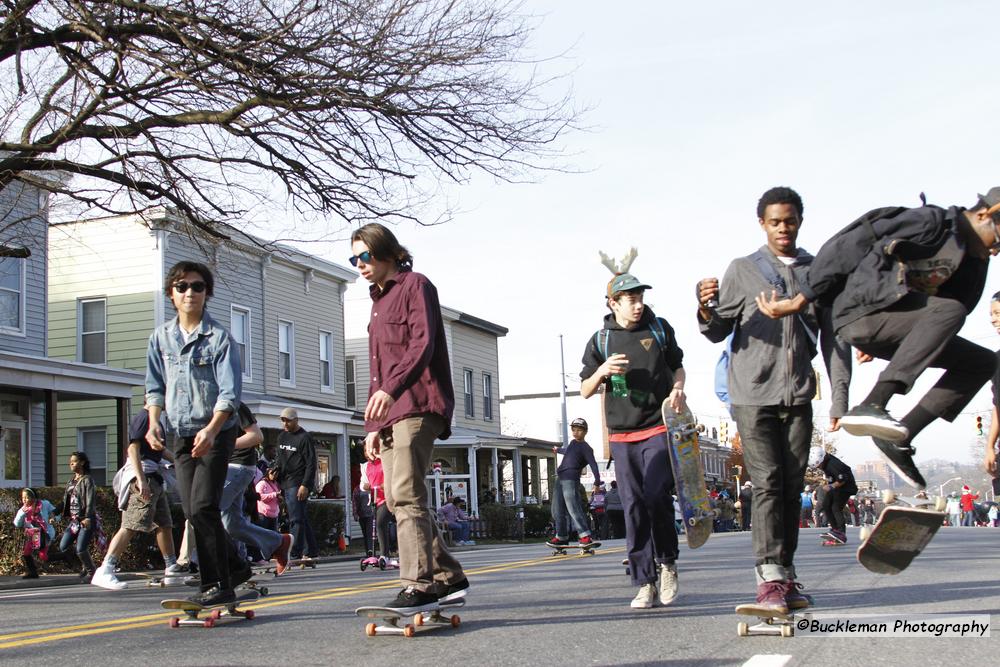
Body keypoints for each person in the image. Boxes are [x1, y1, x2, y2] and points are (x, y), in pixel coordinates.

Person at [757, 187, 1000, 489]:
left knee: (983, 362)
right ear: (982, 214)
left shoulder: (974, 263)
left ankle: (900, 438)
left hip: (891, 324)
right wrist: (802, 298)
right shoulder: (931, 222)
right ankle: (873, 403)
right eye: (998, 239)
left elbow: (942, 314)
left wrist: (899, 338)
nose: (996, 249)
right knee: (952, 311)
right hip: (858, 309)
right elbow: (847, 245)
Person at [697, 187, 851, 616]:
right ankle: (769, 577)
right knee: (766, 482)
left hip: (798, 394)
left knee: (790, 485)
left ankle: (784, 569)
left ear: (800, 220)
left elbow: (835, 338)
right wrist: (704, 306)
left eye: (791, 220)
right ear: (762, 224)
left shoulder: (817, 271)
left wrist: (839, 397)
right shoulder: (742, 270)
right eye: (775, 221)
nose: (784, 228)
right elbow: (716, 329)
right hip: (751, 393)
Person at [352, 222, 468, 613]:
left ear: (386, 252)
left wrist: (391, 390)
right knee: (401, 500)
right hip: (390, 412)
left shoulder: (416, 285)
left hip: (419, 403)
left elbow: (423, 343)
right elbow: (376, 370)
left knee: (405, 493)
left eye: (365, 256)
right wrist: (372, 427)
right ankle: (449, 577)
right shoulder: (376, 302)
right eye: (354, 259)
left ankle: (417, 584)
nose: (359, 264)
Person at [581, 257, 686, 609]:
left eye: (641, 297)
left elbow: (677, 366)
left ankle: (668, 563)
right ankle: (644, 582)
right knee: (633, 508)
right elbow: (584, 389)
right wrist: (603, 372)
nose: (639, 304)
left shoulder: (659, 329)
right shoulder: (601, 340)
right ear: (614, 303)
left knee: (657, 496)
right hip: (622, 437)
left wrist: (678, 389)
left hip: (657, 427)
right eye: (631, 299)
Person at [145, 260, 249, 606]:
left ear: (207, 293)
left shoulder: (220, 338)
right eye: (182, 286)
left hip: (216, 432)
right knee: (191, 510)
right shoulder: (160, 338)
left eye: (198, 286)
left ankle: (217, 583)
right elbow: (154, 386)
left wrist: (211, 429)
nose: (190, 292)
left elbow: (230, 394)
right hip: (179, 433)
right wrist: (153, 421)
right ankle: (235, 566)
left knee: (204, 505)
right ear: (171, 294)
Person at [92, 408, 184, 590]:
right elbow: (133, 448)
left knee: (164, 524)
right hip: (143, 478)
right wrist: (141, 480)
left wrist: (181, 462)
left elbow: (160, 450)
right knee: (131, 525)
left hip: (155, 478)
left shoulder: (157, 419)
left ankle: (171, 568)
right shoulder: (144, 418)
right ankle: (105, 570)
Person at [220, 403, 292, 573]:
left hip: (239, 467)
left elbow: (257, 436)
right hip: (223, 469)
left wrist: (223, 446)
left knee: (206, 511)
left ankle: (218, 565)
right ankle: (278, 542)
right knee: (232, 524)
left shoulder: (234, 404)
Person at [546, 418, 601, 549]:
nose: (576, 433)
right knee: (556, 509)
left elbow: (593, 465)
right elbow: (568, 451)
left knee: (573, 507)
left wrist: (597, 482)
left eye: (579, 430)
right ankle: (562, 537)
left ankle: (585, 536)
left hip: (571, 479)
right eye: (574, 430)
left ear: (585, 432)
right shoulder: (572, 443)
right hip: (560, 478)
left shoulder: (587, 448)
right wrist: (558, 450)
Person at [276, 407, 319, 563]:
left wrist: (305, 485)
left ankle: (295, 552)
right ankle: (312, 550)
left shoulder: (304, 437)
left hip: (298, 482)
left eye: (288, 420)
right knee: (301, 518)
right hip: (285, 482)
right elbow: (280, 460)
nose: (285, 423)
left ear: (296, 420)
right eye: (283, 420)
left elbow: (311, 464)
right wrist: (274, 472)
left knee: (295, 519)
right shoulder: (281, 437)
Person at [53, 452, 99, 581]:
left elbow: (90, 501)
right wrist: (55, 512)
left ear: (82, 463)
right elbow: (65, 502)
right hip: (75, 521)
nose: (71, 463)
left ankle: (92, 573)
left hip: (85, 519)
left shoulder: (87, 480)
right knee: (63, 546)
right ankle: (85, 564)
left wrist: (88, 517)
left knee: (81, 549)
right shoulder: (71, 481)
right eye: (70, 462)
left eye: (74, 461)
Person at [808, 447, 858, 545]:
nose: (819, 468)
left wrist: (831, 486)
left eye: (819, 465)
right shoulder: (826, 461)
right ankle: (835, 529)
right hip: (836, 487)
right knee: (826, 505)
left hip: (845, 487)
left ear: (822, 459)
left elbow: (843, 478)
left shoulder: (833, 464)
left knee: (836, 507)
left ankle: (841, 532)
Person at [361, 455, 397, 566]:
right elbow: (362, 484)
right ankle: (378, 553)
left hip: (388, 499)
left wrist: (386, 484)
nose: (369, 453)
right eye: (366, 451)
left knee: (380, 523)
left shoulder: (386, 461)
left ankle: (384, 555)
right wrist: (365, 486)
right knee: (378, 526)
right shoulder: (365, 466)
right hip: (374, 499)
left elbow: (394, 477)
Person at [13, 488, 57, 579]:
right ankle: (33, 572)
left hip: (45, 534)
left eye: (26, 497)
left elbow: (56, 513)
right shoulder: (23, 509)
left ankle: (64, 556)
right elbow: (17, 524)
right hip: (34, 534)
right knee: (26, 553)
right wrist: (22, 514)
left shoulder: (44, 504)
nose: (24, 500)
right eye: (22, 497)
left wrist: (54, 518)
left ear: (33, 498)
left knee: (43, 556)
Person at [255, 467, 282, 532]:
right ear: (268, 473)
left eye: (276, 474)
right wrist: (274, 494)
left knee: (273, 538)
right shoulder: (261, 483)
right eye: (272, 473)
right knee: (262, 536)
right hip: (263, 515)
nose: (274, 475)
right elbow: (259, 497)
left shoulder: (276, 484)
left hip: (274, 515)